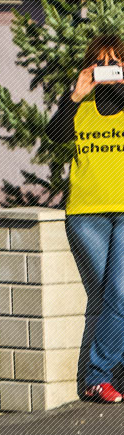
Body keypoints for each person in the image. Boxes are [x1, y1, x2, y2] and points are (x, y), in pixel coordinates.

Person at [46, 31, 124, 403]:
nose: (107, 67)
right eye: (100, 61)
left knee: (120, 292)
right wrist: (75, 96)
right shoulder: (81, 105)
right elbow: (55, 134)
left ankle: (97, 376)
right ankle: (109, 374)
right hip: (85, 214)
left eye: (115, 61)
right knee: (109, 295)